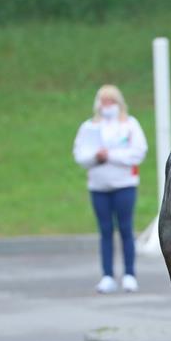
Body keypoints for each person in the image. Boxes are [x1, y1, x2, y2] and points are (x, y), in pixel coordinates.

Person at [72, 84, 148, 294]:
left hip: (124, 185)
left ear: (118, 103)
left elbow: (138, 152)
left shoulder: (130, 125)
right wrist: (95, 157)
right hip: (98, 186)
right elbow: (80, 154)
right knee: (105, 231)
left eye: (110, 101)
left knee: (125, 228)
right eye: (103, 101)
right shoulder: (89, 127)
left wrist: (111, 156)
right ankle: (107, 275)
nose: (107, 105)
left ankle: (129, 274)